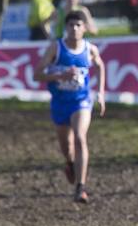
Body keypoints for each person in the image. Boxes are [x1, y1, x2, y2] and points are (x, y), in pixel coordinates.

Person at [33, 11, 106, 204]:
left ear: (84, 28)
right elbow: (37, 75)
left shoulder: (89, 49)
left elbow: (99, 65)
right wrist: (60, 76)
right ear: (66, 28)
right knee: (67, 148)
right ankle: (70, 163)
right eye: (71, 25)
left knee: (81, 138)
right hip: (59, 103)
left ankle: (80, 188)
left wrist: (100, 92)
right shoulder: (56, 48)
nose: (74, 28)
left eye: (78, 25)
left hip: (81, 101)